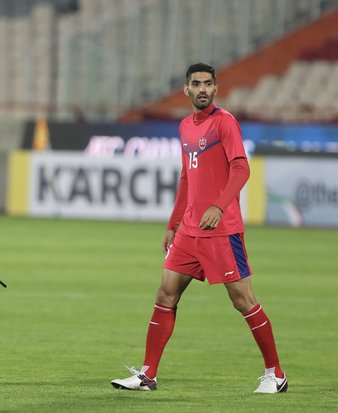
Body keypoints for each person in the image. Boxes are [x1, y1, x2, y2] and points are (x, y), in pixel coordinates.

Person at [111, 63, 287, 394]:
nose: (203, 88)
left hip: (222, 230)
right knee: (165, 292)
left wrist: (218, 206)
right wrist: (172, 224)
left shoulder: (225, 123)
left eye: (208, 83)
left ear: (216, 89)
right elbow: (186, 177)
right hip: (189, 231)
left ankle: (275, 374)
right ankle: (148, 374)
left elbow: (241, 168)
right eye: (197, 83)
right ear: (186, 89)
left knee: (242, 300)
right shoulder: (184, 127)